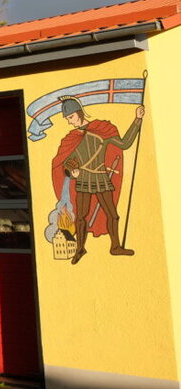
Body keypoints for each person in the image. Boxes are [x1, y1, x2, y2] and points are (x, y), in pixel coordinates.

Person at [51, 96, 144, 265]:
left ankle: (115, 247)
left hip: (101, 177)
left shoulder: (101, 130)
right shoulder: (72, 138)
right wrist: (72, 172)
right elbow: (66, 162)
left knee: (112, 214)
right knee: (81, 217)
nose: (70, 122)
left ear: (79, 113)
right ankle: (80, 248)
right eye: (67, 119)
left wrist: (137, 120)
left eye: (71, 117)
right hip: (83, 179)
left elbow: (124, 144)